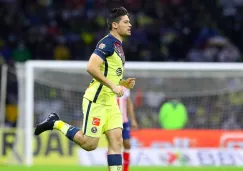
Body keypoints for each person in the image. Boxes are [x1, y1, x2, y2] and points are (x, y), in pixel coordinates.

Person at [34, 7, 135, 171]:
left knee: (117, 141)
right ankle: (55, 122)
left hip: (111, 103)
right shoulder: (107, 43)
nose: (130, 24)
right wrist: (113, 86)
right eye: (126, 22)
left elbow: (107, 74)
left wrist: (122, 83)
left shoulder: (119, 46)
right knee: (89, 144)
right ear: (115, 25)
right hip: (96, 101)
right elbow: (91, 67)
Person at [117, 87, 138, 171]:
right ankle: (112, 168)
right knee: (114, 145)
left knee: (127, 143)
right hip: (112, 121)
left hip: (124, 121)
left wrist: (133, 119)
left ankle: (125, 169)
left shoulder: (125, 87)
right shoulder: (108, 85)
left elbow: (129, 103)